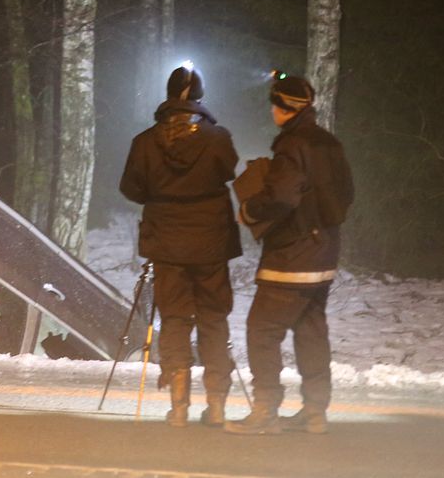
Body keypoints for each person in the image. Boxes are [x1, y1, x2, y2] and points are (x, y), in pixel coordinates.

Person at [225, 75, 354, 435]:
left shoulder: (292, 146)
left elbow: (282, 196)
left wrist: (251, 211)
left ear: (286, 108)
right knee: (310, 330)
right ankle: (315, 412)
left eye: (275, 105)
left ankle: (265, 409)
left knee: (262, 328)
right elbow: (347, 193)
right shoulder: (329, 143)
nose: (271, 111)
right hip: (324, 253)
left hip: (292, 257)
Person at [119, 66, 242, 427]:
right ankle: (217, 403)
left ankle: (178, 405)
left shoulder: (144, 141)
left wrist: (159, 194)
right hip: (211, 243)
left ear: (169, 94)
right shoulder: (217, 138)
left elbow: (130, 188)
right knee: (214, 318)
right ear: (200, 97)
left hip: (167, 243)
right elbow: (230, 170)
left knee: (174, 317)